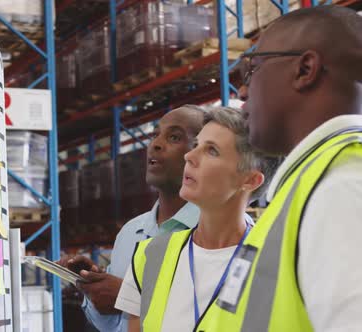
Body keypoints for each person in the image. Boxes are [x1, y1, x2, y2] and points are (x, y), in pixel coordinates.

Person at [194, 6, 362, 331]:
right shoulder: (313, 183)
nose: (242, 92)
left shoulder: (341, 187)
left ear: (305, 69)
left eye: (252, 71)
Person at [115, 107, 279, 331]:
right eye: (195, 146)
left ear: (250, 180)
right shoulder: (149, 255)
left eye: (211, 151)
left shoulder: (277, 262)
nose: (189, 157)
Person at [57, 105, 207, 331]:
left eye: (174, 137)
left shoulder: (215, 232)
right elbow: (112, 326)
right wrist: (93, 288)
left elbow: (214, 316)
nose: (155, 144)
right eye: (155, 134)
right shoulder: (130, 232)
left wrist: (129, 296)